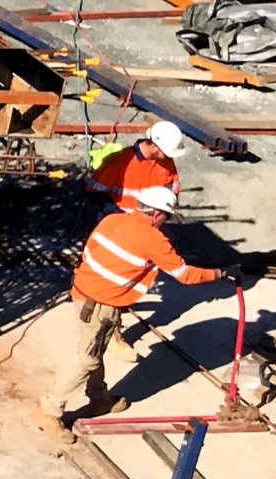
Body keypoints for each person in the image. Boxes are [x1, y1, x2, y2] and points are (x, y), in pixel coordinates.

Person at [49, 184, 221, 434]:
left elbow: (88, 252)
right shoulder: (154, 239)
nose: (165, 221)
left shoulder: (111, 221)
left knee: (95, 349)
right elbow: (184, 275)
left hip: (82, 294)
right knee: (87, 359)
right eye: (166, 216)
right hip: (101, 304)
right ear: (156, 214)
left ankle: (98, 399)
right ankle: (49, 410)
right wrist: (219, 273)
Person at [87, 120, 187, 211]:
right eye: (166, 153)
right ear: (154, 147)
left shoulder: (166, 162)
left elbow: (173, 189)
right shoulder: (119, 162)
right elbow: (94, 193)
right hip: (118, 222)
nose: (169, 157)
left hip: (151, 222)